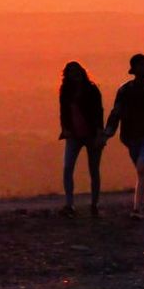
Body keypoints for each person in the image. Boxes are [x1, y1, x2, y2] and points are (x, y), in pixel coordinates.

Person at [102, 53, 144, 220]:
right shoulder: (125, 91)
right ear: (134, 69)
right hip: (131, 137)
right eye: (142, 65)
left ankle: (137, 208)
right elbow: (116, 113)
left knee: (141, 168)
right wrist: (107, 133)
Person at [58, 61, 105, 217]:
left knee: (93, 170)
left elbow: (99, 113)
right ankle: (69, 204)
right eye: (71, 72)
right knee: (67, 168)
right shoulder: (65, 91)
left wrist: (99, 133)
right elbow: (63, 112)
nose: (74, 75)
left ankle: (94, 204)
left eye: (76, 72)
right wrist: (65, 128)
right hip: (74, 135)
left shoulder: (91, 90)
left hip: (91, 135)